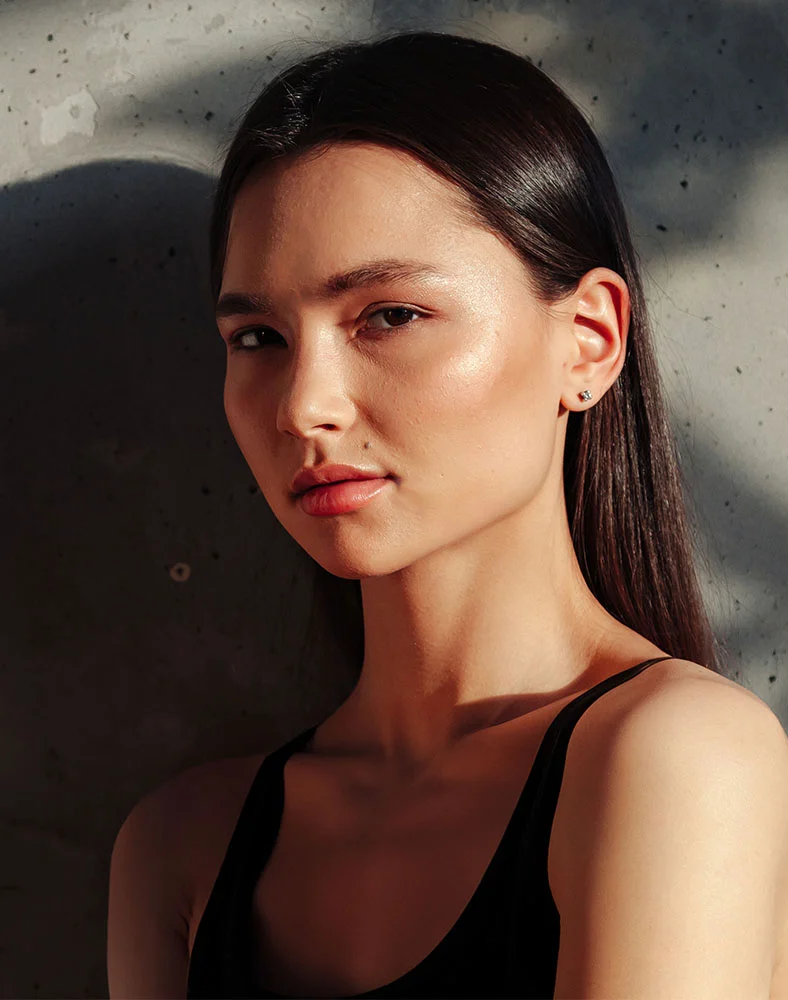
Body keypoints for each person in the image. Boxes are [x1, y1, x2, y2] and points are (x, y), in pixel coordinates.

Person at [106, 29, 788, 1000]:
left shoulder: (675, 756)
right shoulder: (182, 849)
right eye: (257, 336)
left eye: (388, 315)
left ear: (587, 342)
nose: (304, 406)